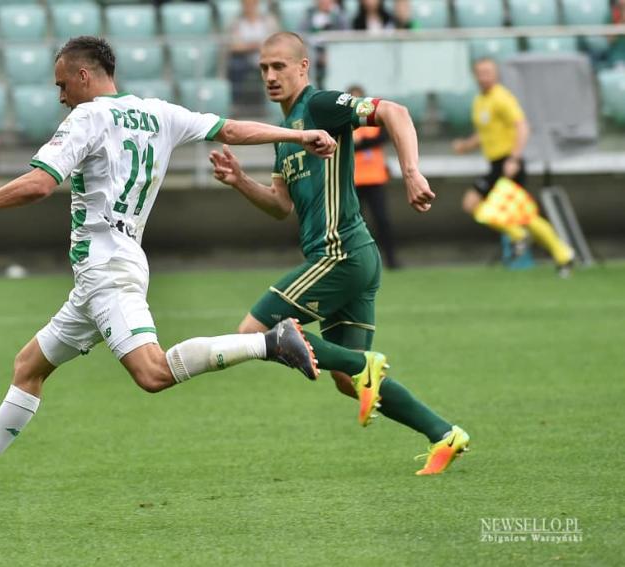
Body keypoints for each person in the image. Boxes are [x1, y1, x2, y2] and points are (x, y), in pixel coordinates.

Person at [0, 36, 348, 505]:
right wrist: (295, 135)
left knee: (152, 374)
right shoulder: (159, 113)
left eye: (62, 84)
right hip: (102, 275)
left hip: (107, 270)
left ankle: (269, 341)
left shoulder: (87, 116)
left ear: (84, 76)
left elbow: (41, 184)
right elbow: (230, 129)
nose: (60, 96)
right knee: (29, 366)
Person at [209, 32, 469, 475]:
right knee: (349, 384)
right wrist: (239, 182)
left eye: (279, 67)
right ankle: (444, 434)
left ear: (303, 67)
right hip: (355, 257)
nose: (271, 76)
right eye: (264, 69)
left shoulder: (321, 105)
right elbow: (280, 206)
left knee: (253, 330)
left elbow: (395, 111)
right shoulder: (283, 133)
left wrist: (410, 172)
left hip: (340, 253)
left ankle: (362, 362)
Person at [452, 58, 574, 276]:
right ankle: (561, 253)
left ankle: (524, 238)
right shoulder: (480, 101)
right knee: (522, 215)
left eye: (487, 72)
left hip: (508, 163)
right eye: (480, 72)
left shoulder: (502, 97)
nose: (483, 76)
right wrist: (465, 145)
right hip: (495, 164)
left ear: (496, 74)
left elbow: (522, 126)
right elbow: (484, 132)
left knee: (476, 203)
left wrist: (514, 159)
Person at [349, 84, 399, 269]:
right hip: (354, 179)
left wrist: (361, 143)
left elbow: (384, 136)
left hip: (375, 178)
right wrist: (362, 144)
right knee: (357, 225)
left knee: (382, 220)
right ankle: (360, 263)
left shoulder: (373, 120)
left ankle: (392, 260)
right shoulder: (346, 121)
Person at [227, 0, 279, 110]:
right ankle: (236, 104)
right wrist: (253, 46)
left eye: (252, 3)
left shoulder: (268, 21)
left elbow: (275, 42)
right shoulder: (236, 22)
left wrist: (254, 46)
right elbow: (234, 46)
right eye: (246, 4)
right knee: (235, 66)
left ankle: (272, 104)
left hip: (266, 57)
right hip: (244, 58)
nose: (249, 6)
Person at [300, 0, 348, 89]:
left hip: (335, 56)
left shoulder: (339, 17)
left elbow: (346, 38)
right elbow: (302, 36)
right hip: (313, 55)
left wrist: (331, 53)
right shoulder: (309, 16)